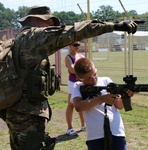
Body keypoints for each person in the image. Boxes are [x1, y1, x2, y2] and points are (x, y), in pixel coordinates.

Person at [0, 5, 138, 150]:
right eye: (49, 22)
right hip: (26, 117)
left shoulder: (20, 40)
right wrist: (116, 26)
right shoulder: (32, 37)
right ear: (35, 20)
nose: (52, 26)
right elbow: (74, 32)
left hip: (18, 113)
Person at [71, 57, 135, 150]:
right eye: (88, 78)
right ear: (79, 79)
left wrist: (127, 95)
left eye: (95, 74)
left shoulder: (107, 81)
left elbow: (119, 106)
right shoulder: (77, 86)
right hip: (95, 135)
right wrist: (101, 99)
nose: (93, 79)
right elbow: (78, 107)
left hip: (116, 131)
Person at [65, 41, 85, 136]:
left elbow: (87, 67)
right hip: (73, 83)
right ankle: (69, 128)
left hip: (82, 82)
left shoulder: (81, 56)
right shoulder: (68, 57)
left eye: (78, 45)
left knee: (81, 104)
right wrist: (83, 71)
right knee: (71, 104)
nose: (77, 47)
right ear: (70, 46)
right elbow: (72, 70)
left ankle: (83, 125)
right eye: (75, 45)